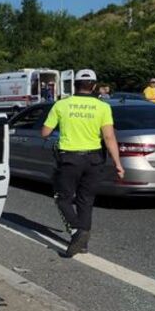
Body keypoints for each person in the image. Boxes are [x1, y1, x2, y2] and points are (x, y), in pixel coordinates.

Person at [41, 69, 125, 257]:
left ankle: (79, 231)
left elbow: (45, 132)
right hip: (94, 159)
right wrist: (118, 164)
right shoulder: (102, 107)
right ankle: (83, 243)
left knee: (62, 198)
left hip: (70, 158)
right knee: (85, 201)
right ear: (94, 86)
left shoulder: (61, 105)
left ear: (75, 85)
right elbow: (109, 136)